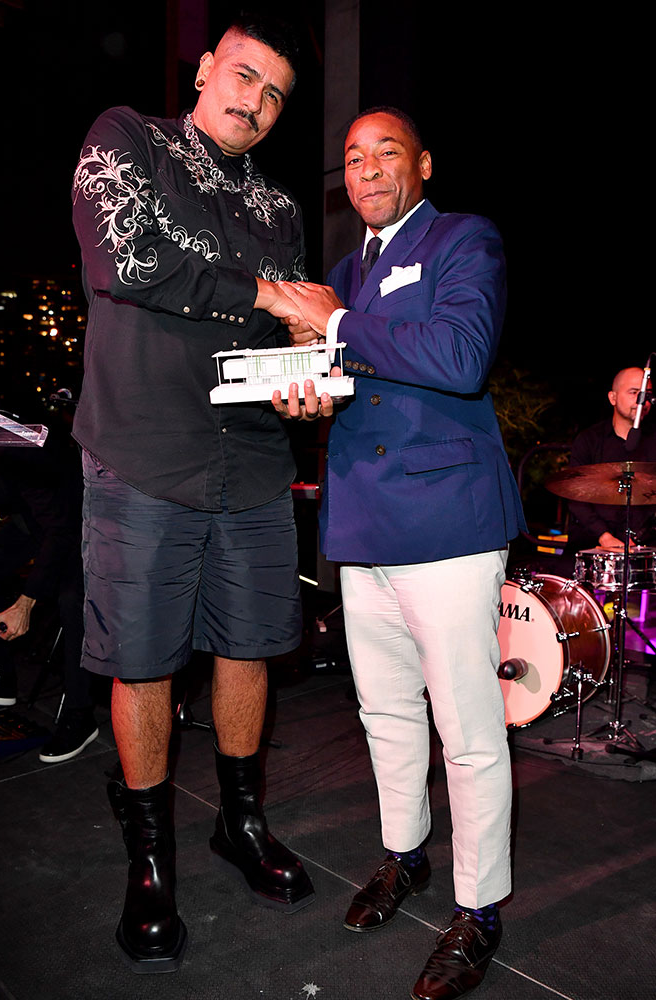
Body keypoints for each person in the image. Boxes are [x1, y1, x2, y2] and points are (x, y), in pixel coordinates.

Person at [71, 15, 329, 975]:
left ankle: (240, 824)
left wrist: (308, 376)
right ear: (205, 67)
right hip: (143, 453)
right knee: (142, 662)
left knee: (251, 647)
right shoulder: (126, 137)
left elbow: (288, 341)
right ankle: (149, 860)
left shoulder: (280, 210)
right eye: (244, 76)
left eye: (273, 96)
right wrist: (271, 295)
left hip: (255, 461)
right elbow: (127, 260)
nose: (254, 102)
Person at [278, 107, 525, 1000]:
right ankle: (403, 858)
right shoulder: (347, 270)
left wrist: (337, 323)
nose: (368, 168)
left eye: (387, 152)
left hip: (447, 520)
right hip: (361, 522)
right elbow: (347, 380)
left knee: (467, 731)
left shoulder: (465, 240)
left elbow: (460, 358)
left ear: (423, 162)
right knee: (384, 713)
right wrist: (303, 393)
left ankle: (480, 908)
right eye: (352, 156)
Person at [0, 409, 99, 765]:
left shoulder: (14, 448)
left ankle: (80, 716)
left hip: (81, 525)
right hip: (36, 522)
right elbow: (1, 487)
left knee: (71, 600)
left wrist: (25, 603)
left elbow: (60, 530)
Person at [568, 366, 656, 552]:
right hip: (593, 544)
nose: (642, 401)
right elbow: (575, 497)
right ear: (613, 398)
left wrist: (643, 536)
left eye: (646, 394)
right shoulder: (588, 440)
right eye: (634, 393)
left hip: (646, 547)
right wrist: (604, 536)